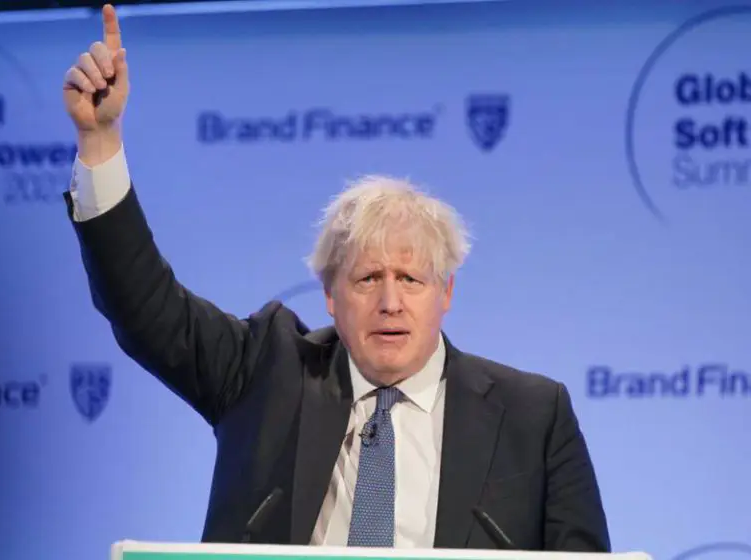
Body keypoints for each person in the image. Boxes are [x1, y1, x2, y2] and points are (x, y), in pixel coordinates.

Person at [61, 4, 611, 551]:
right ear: (329, 294)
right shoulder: (265, 375)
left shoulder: (532, 417)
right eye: (368, 278)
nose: (390, 301)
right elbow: (143, 307)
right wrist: (100, 141)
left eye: (411, 279)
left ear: (446, 292)